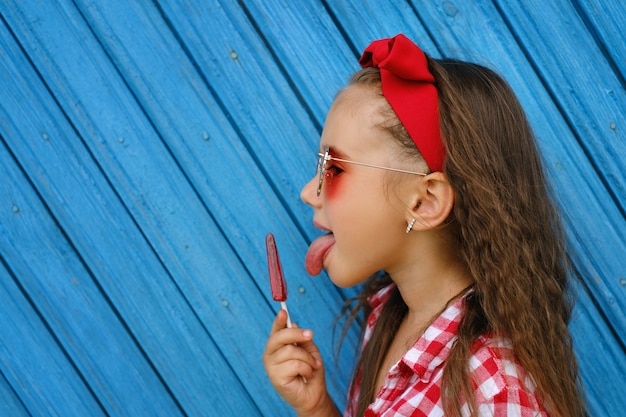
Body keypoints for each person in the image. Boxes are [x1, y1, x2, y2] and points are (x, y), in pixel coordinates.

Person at [263, 34, 585, 417]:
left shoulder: (489, 398)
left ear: (425, 201)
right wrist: (316, 408)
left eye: (332, 168)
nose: (307, 192)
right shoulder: (391, 314)